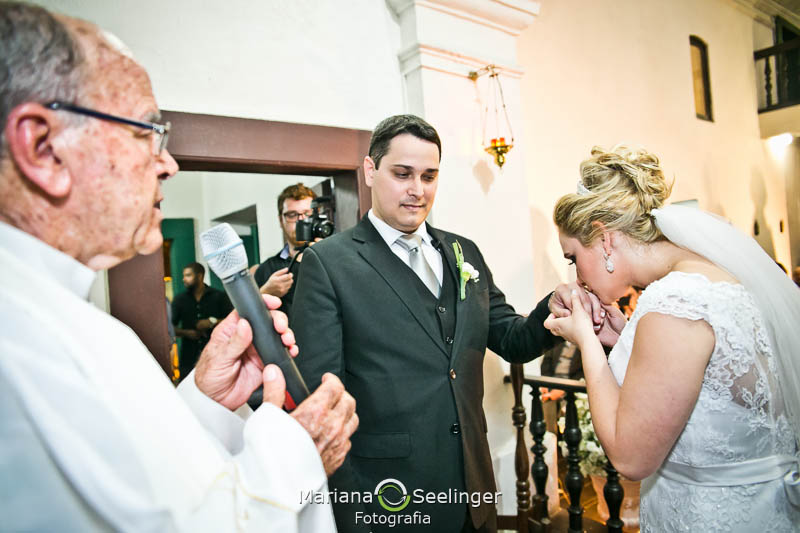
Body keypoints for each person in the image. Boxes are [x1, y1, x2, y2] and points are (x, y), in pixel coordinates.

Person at [0, 4, 357, 531]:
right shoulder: (22, 337)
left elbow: (145, 482)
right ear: (45, 149)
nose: (169, 163)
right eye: (146, 130)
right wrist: (301, 454)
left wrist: (205, 399)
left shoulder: (56, 317)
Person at [291, 114, 560, 533]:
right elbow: (321, 396)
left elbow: (513, 338)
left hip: (472, 488)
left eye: (429, 176)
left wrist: (554, 309)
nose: (418, 190)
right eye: (403, 174)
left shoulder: (463, 251)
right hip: (389, 497)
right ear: (370, 171)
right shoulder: (329, 263)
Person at [543, 145, 800, 531]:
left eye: (572, 257)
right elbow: (719, 382)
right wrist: (627, 337)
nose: (575, 276)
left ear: (604, 239)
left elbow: (631, 459)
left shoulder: (674, 302)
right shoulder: (712, 272)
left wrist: (588, 342)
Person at [252, 183, 317, 317]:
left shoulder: (333, 259)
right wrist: (266, 292)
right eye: (292, 215)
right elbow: (250, 319)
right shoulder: (266, 269)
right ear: (281, 221)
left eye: (307, 213)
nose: (301, 221)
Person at [171, 262, 233, 379]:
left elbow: (232, 320)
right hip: (189, 359)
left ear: (199, 276)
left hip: (216, 356)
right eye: (184, 276)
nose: (184, 279)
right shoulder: (180, 300)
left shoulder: (218, 296)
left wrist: (212, 322)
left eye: (188, 275)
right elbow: (169, 327)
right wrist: (186, 333)